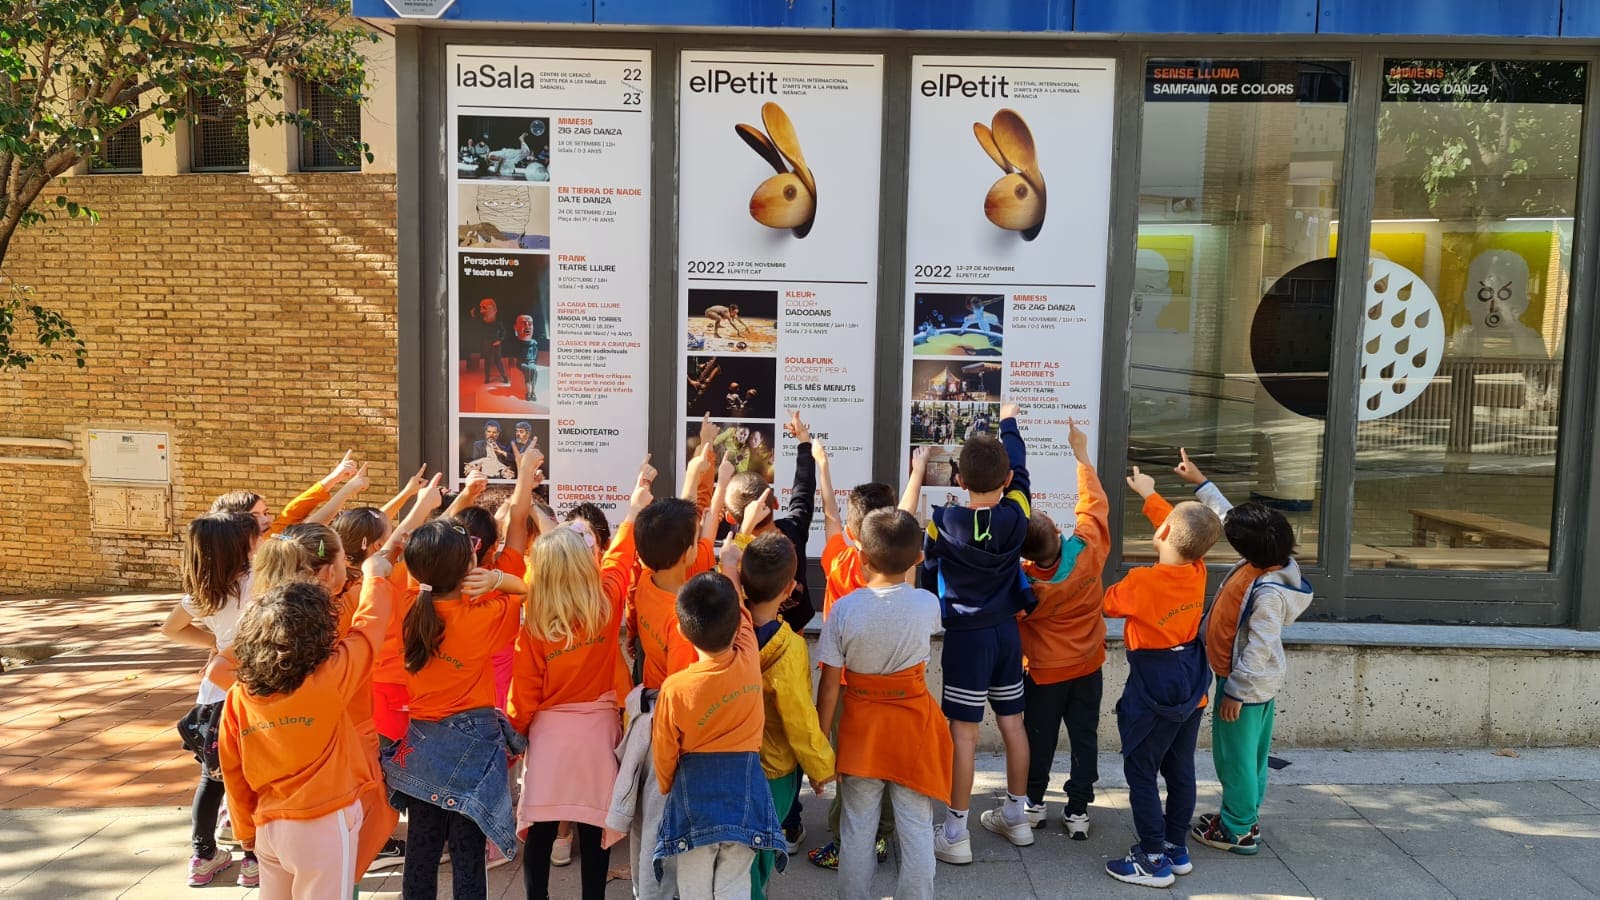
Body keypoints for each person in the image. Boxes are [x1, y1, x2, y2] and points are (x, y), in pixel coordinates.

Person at [383, 446, 540, 900]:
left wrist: (432, 508)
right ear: (470, 565)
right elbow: (528, 589)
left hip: (421, 741)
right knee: (469, 854)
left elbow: (407, 554)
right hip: (473, 739)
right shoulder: (483, 614)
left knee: (421, 851)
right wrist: (498, 580)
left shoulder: (404, 604)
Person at [216, 529, 401, 899]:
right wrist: (376, 577)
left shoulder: (239, 695)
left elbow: (232, 770)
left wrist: (245, 830)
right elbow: (368, 630)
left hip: (269, 825)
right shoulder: (330, 679)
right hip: (325, 821)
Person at [509, 460, 650, 900]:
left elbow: (524, 694)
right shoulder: (606, 604)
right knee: (594, 830)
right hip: (596, 737)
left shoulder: (534, 626)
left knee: (541, 830)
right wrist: (634, 507)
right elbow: (621, 557)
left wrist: (517, 732)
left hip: (550, 737)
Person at [1163, 451, 1315, 857]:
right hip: (1254, 684)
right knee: (1252, 757)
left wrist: (1235, 692)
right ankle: (1242, 814)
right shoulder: (1268, 558)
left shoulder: (1269, 594)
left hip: (1244, 687)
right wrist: (1200, 482)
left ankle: (1239, 829)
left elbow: (1259, 648)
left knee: (1235, 760)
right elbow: (1231, 518)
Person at [922, 402, 1036, 864]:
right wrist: (1008, 422)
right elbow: (1021, 471)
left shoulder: (942, 522)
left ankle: (955, 833)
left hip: (967, 638)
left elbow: (926, 576)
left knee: (963, 735)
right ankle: (1017, 817)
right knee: (1014, 724)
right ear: (1005, 480)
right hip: (1007, 633)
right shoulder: (1017, 516)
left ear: (959, 480)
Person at [816, 508, 949, 900]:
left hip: (861, 731)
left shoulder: (844, 610)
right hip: (912, 728)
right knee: (916, 825)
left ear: (861, 557)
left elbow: (829, 687)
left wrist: (821, 744)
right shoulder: (927, 604)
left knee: (857, 827)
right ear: (918, 558)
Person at [1104, 465, 1223, 888]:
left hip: (1153, 687)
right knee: (1180, 767)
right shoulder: (1198, 569)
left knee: (1141, 769)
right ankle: (1175, 846)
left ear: (1164, 532)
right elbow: (1185, 532)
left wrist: (1152, 500)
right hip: (1192, 683)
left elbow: (1109, 603)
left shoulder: (1142, 581)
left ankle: (1152, 858)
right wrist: (1150, 496)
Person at [804, 461, 920, 870]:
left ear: (854, 534)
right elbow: (906, 516)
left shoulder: (838, 559)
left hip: (846, 688)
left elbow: (830, 513)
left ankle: (845, 842)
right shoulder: (901, 572)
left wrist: (822, 466)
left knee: (851, 769)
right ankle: (881, 838)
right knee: (885, 764)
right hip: (891, 688)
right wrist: (918, 472)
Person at [647, 571, 786, 899]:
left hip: (693, 799)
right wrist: (731, 566)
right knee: (734, 884)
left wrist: (667, 786)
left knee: (693, 888)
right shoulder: (749, 658)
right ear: (738, 627)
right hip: (744, 792)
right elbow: (744, 617)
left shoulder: (674, 689)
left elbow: (664, 752)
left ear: (681, 631)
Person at [1017, 421, 1110, 839]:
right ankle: (1078, 810)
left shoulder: (1026, 588)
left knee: (1038, 738)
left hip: (1045, 674)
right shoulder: (1089, 551)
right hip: (1088, 666)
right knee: (1084, 738)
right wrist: (1080, 454)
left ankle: (1034, 803)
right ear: (1057, 529)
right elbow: (1094, 506)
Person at [161, 512, 261, 888]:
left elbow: (171, 628)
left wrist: (215, 643)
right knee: (253, 778)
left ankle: (202, 856)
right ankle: (253, 860)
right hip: (250, 690)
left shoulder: (203, 592)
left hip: (213, 699)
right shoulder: (256, 580)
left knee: (212, 777)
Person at [735, 531, 836, 898]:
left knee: (736, 848)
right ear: (790, 588)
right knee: (761, 848)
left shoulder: (729, 630)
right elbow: (799, 716)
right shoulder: (789, 647)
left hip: (733, 756)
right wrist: (821, 767)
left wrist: (741, 541)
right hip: (774, 767)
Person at [721, 411, 818, 633]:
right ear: (774, 503)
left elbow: (725, 582)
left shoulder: (737, 554)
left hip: (752, 635)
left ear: (729, 517)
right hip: (795, 631)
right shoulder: (794, 529)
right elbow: (803, 489)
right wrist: (804, 442)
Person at [473, 298, 511, 385]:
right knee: (487, 361)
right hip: (487, 344)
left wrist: (499, 340)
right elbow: (477, 325)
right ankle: (487, 378)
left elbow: (503, 331)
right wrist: (474, 316)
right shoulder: (483, 322)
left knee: (498, 361)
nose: (482, 310)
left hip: (496, 344)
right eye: (481, 308)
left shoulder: (497, 322)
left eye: (485, 307)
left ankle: (504, 376)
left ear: (493, 309)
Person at [514, 313, 541, 402]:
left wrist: (533, 361)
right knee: (528, 370)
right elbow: (517, 355)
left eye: (530, 323)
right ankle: (528, 392)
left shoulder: (534, 343)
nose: (527, 326)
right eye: (524, 323)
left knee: (534, 370)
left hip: (531, 362)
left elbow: (535, 354)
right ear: (516, 327)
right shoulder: (517, 343)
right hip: (522, 362)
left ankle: (533, 392)